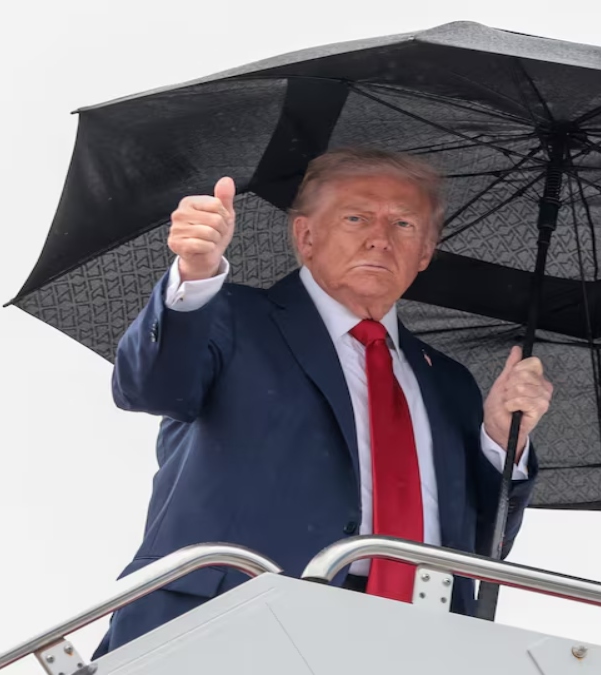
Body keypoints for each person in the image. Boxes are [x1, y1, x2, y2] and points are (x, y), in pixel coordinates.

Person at [94, 147, 553, 657]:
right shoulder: (231, 318)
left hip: (412, 648)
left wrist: (500, 439)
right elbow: (149, 387)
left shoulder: (450, 383)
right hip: (232, 628)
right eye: (356, 217)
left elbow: (482, 545)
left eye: (403, 223)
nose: (380, 237)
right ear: (306, 236)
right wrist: (196, 273)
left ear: (425, 252)